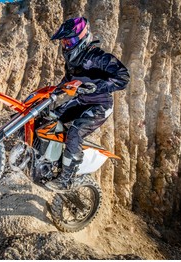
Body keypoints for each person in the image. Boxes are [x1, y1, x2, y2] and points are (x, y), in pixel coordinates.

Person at [45, 16, 130, 192]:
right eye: (65, 42)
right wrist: (52, 94)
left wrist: (96, 87)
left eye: (71, 40)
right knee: (49, 117)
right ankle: (48, 160)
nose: (67, 45)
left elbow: (123, 77)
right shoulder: (72, 61)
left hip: (100, 106)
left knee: (75, 131)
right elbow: (68, 81)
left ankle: (66, 179)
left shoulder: (97, 56)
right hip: (81, 100)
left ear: (83, 37)